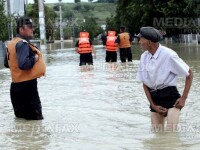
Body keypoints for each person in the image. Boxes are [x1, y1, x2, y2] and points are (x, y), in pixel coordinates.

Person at [136, 27, 193, 131]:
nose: (139, 42)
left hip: (170, 96)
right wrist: (153, 105)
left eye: (141, 39)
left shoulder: (168, 55)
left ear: (149, 42)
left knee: (171, 133)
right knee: (157, 135)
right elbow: (145, 83)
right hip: (154, 98)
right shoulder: (144, 57)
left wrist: (183, 98)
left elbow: (189, 73)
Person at [5, 17, 46, 120]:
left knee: (22, 122)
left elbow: (7, 64)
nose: (32, 29)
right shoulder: (23, 44)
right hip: (27, 88)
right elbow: (24, 65)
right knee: (35, 120)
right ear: (21, 29)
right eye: (30, 27)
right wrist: (35, 58)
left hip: (15, 87)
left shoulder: (11, 43)